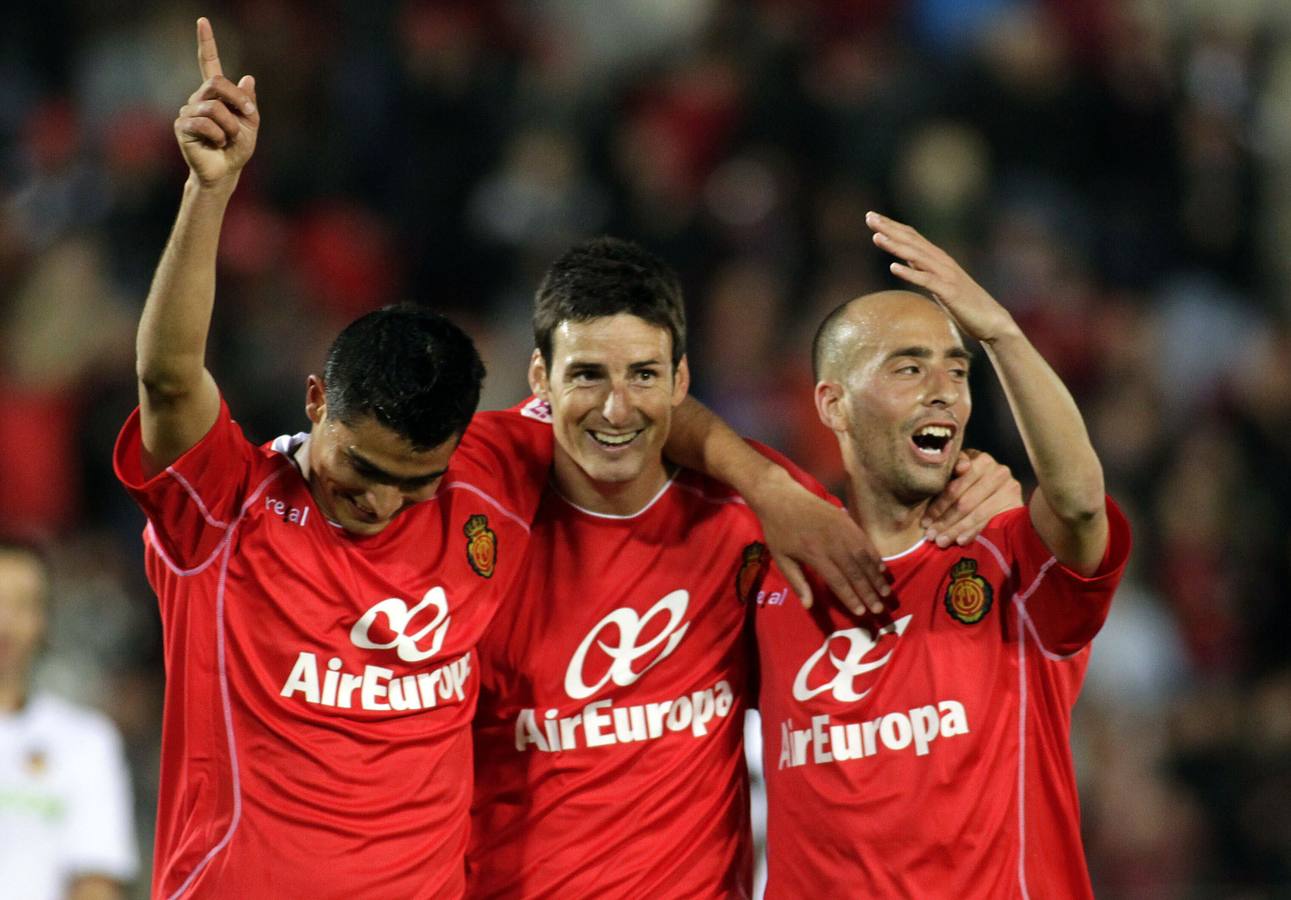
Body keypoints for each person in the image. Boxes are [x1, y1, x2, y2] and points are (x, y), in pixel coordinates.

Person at [116, 18, 905, 897]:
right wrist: (209, 193)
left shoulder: (485, 479)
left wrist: (767, 484)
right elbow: (167, 374)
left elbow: (627, 415)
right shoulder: (229, 509)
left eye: (411, 483)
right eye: (359, 471)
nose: (379, 503)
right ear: (314, 405)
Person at [467, 237, 1021, 896]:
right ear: (541, 381)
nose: (615, 406)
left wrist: (974, 488)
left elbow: (895, 556)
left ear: (679, 380)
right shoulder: (478, 506)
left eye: (644, 375)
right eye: (585, 375)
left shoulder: (756, 517)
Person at [755, 212, 1133, 897]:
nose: (942, 390)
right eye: (908, 367)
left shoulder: (1009, 554)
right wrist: (759, 482)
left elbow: (1077, 502)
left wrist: (1000, 333)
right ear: (832, 405)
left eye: (955, 371)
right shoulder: (774, 570)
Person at [0, 543, 138, 900]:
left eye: (21, 604)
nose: (4, 621)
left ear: (44, 620)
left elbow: (97, 882)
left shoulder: (86, 742)